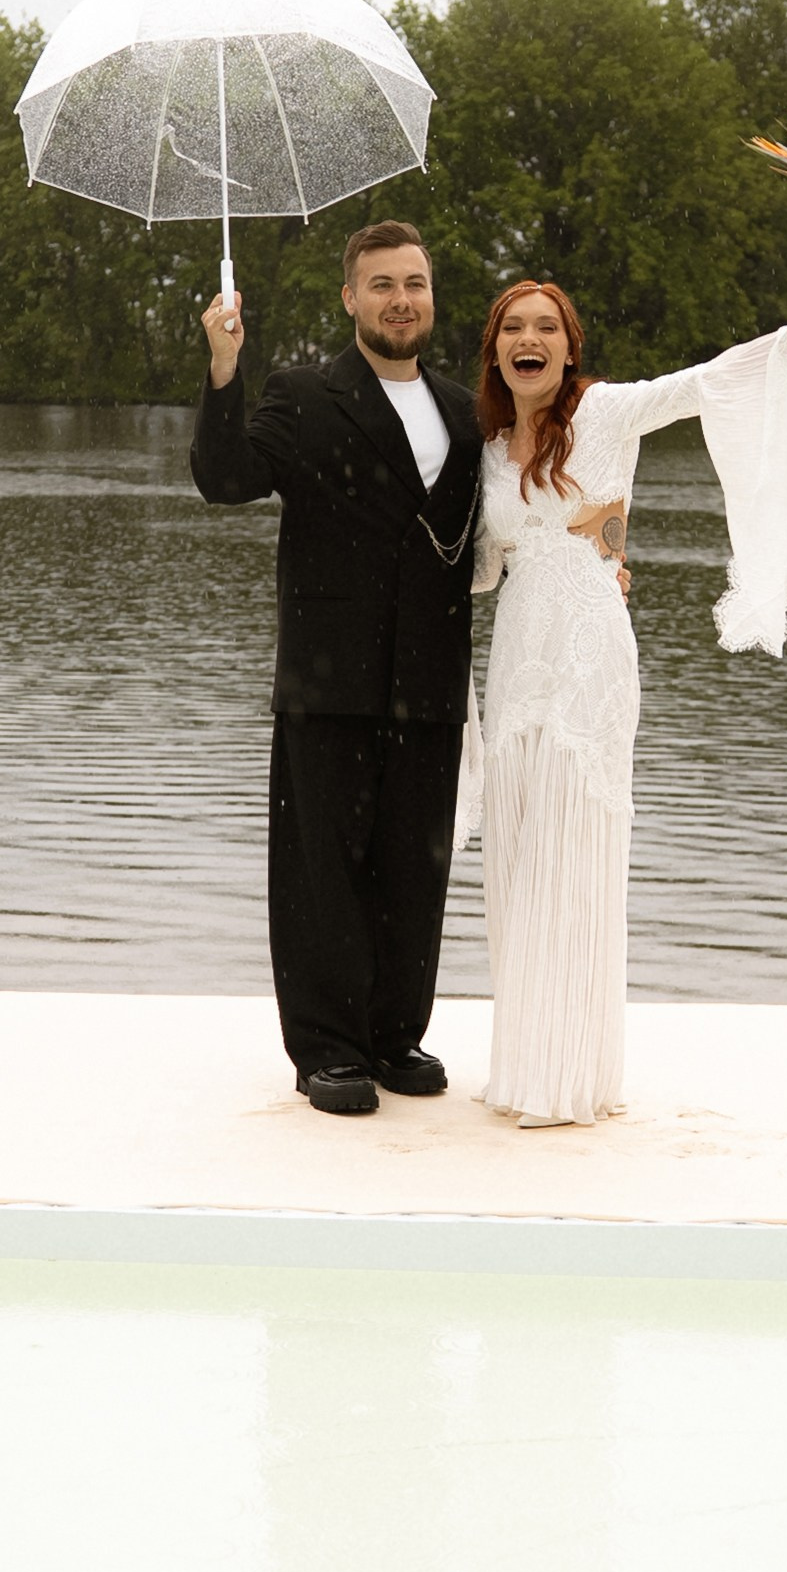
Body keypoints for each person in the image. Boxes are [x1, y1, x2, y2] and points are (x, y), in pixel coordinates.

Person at [469, 276, 787, 1126]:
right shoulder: (491, 449)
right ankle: (524, 1064)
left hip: (588, 655)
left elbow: (709, 381)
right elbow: (481, 569)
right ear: (494, 350)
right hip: (515, 661)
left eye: (545, 328)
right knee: (515, 856)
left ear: (569, 347)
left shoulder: (605, 412)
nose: (528, 340)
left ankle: (566, 1081)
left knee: (571, 854)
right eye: (513, 328)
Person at [190, 223, 490, 1115]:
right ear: (350, 298)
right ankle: (326, 1048)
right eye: (382, 284)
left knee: (414, 868)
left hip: (430, 679)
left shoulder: (466, 410)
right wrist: (223, 367)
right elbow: (225, 477)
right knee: (322, 873)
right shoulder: (303, 394)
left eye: (414, 283)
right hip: (329, 680)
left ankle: (394, 1035)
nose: (401, 300)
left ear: (430, 296)